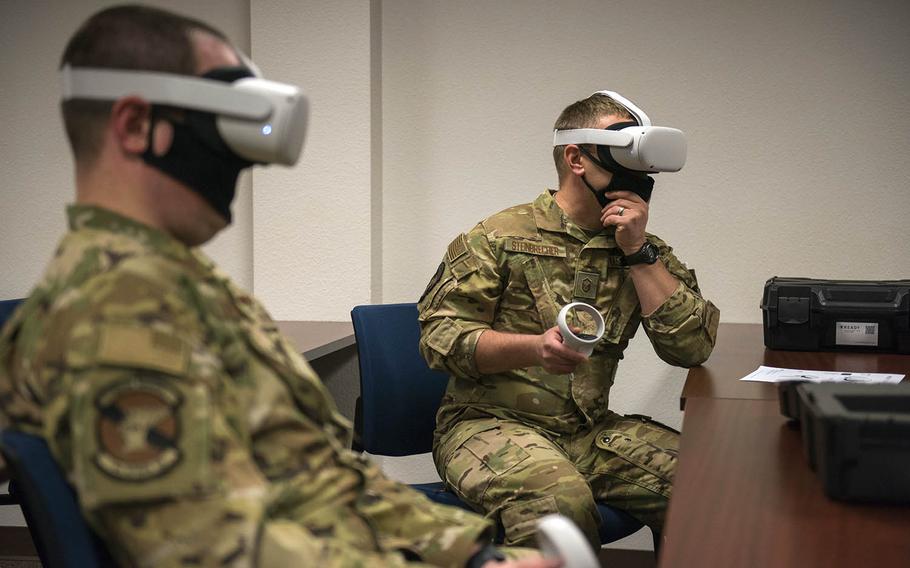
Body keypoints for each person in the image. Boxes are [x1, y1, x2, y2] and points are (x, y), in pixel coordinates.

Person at [0, 6, 561, 567]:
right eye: (216, 123)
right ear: (134, 126)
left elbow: (319, 477)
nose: (240, 161)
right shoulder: (112, 312)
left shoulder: (181, 285)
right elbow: (211, 550)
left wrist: (473, 555)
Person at [417, 91, 720, 549]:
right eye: (623, 154)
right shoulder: (499, 237)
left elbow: (692, 347)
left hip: (587, 430)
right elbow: (439, 338)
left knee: (714, 491)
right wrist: (534, 348)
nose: (636, 174)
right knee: (561, 509)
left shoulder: (641, 247)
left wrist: (639, 253)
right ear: (577, 158)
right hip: (485, 424)